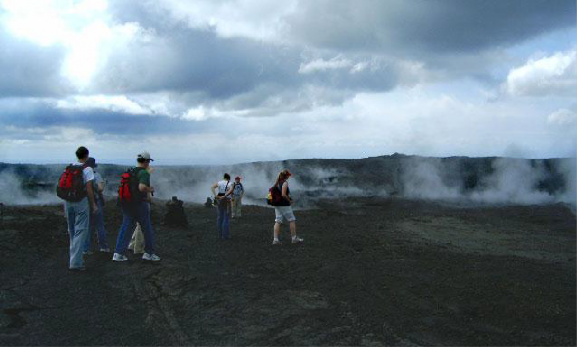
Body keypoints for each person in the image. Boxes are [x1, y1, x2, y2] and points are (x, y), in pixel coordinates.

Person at [112, 151, 161, 262]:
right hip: (139, 204)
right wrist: (151, 189)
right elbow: (142, 187)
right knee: (146, 228)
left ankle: (118, 253)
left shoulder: (130, 171)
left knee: (126, 226)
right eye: (148, 161)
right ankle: (149, 253)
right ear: (146, 161)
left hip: (127, 203)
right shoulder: (144, 173)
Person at [64, 146, 98, 271]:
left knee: (72, 230)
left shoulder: (69, 166)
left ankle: (74, 259)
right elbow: (89, 188)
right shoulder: (87, 169)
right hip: (80, 201)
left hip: (67, 201)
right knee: (81, 230)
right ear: (86, 155)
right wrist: (93, 204)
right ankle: (76, 263)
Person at [83, 157, 110, 254]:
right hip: (95, 201)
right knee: (99, 225)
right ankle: (104, 247)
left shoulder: (82, 174)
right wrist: (103, 184)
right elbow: (100, 189)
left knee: (87, 226)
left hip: (84, 203)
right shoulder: (96, 175)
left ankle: (86, 248)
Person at [272, 169, 303, 245]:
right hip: (284, 204)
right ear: (286, 176)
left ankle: (275, 240)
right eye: (288, 175)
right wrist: (289, 200)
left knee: (278, 220)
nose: (289, 177)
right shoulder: (284, 183)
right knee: (291, 220)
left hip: (277, 204)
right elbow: (283, 194)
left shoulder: (277, 182)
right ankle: (294, 238)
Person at [211, 173, 234, 239]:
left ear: (224, 177)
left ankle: (220, 235)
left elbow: (212, 187)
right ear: (229, 178)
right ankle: (225, 236)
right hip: (227, 201)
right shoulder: (231, 183)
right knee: (226, 218)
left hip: (219, 201)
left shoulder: (219, 183)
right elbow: (231, 191)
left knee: (220, 217)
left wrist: (215, 195)